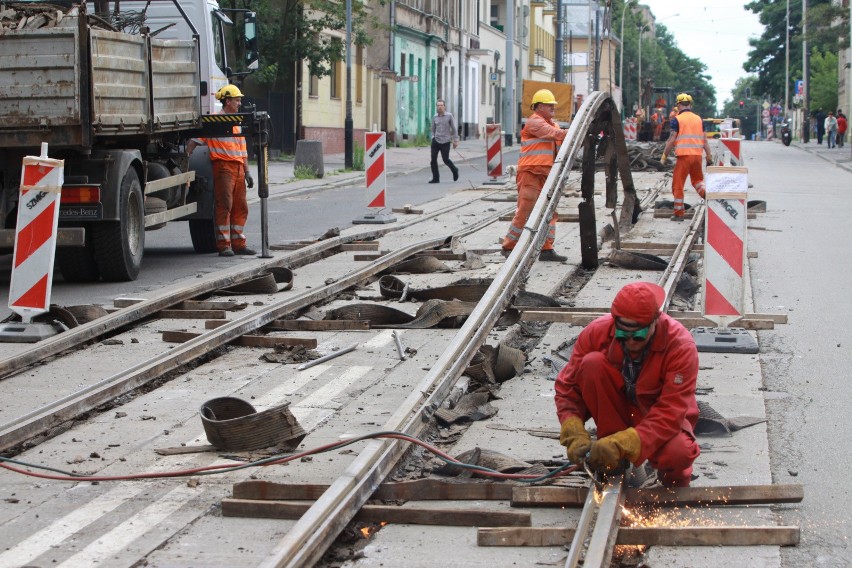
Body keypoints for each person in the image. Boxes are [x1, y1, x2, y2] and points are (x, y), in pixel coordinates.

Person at [555, 281, 700, 487]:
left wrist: (628, 442)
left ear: (655, 321)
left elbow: (671, 411)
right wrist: (573, 430)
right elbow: (567, 389)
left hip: (656, 415)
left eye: (638, 336)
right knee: (592, 364)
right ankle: (612, 463)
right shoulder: (595, 333)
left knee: (678, 453)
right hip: (615, 412)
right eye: (623, 335)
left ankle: (674, 483)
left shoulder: (680, 346)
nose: (631, 342)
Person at [187, 85, 255, 257]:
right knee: (225, 206)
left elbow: (242, 150)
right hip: (223, 168)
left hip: (238, 168)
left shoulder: (237, 123)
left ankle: (239, 244)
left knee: (241, 207)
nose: (240, 103)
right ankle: (224, 245)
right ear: (227, 101)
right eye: (237, 100)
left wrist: (247, 172)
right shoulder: (214, 122)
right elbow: (196, 140)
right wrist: (185, 159)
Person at [501, 89, 568, 262]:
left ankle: (546, 248)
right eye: (549, 104)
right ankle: (509, 246)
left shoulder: (554, 124)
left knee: (550, 212)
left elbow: (561, 141)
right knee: (526, 209)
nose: (553, 107)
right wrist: (577, 129)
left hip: (547, 174)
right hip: (531, 172)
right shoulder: (534, 122)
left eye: (553, 104)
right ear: (539, 106)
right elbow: (555, 135)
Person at [660, 93, 713, 221]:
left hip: (684, 157)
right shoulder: (699, 119)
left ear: (678, 105)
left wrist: (664, 156)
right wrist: (709, 157)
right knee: (698, 181)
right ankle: (707, 195)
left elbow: (672, 139)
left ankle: (679, 214)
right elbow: (705, 141)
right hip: (697, 156)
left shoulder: (677, 120)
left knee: (678, 184)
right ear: (690, 105)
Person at [428, 99, 459, 183]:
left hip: (445, 141)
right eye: (438, 105)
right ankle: (436, 178)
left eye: (441, 105)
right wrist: (433, 137)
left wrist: (455, 140)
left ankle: (455, 170)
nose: (440, 107)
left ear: (444, 106)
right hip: (436, 141)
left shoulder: (449, 116)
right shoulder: (435, 117)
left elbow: (454, 128)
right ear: (436, 107)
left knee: (445, 159)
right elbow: (433, 129)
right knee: (433, 160)